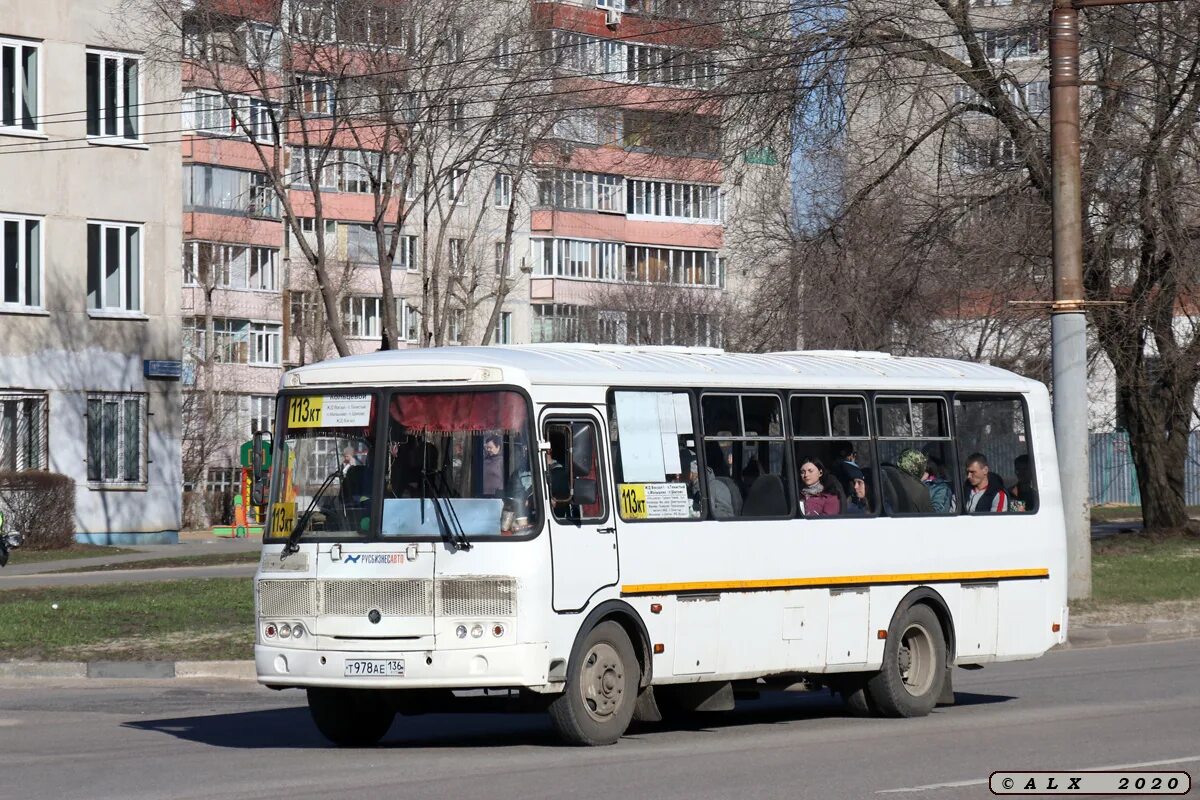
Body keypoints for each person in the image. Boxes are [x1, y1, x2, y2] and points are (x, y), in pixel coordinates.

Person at [684, 453, 734, 519]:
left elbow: (727, 515)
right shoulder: (689, 489)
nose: (677, 476)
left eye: (683, 472)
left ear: (691, 474)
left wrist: (701, 513)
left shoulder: (717, 487)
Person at [893, 448, 935, 513]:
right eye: (923, 466)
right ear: (918, 468)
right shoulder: (919, 489)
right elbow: (931, 518)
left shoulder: (890, 477)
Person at [482, 433, 505, 497]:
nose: (488, 450)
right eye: (487, 448)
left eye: (490, 448)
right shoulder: (484, 461)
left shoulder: (502, 462)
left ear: (498, 447)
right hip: (481, 497)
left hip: (496, 497)